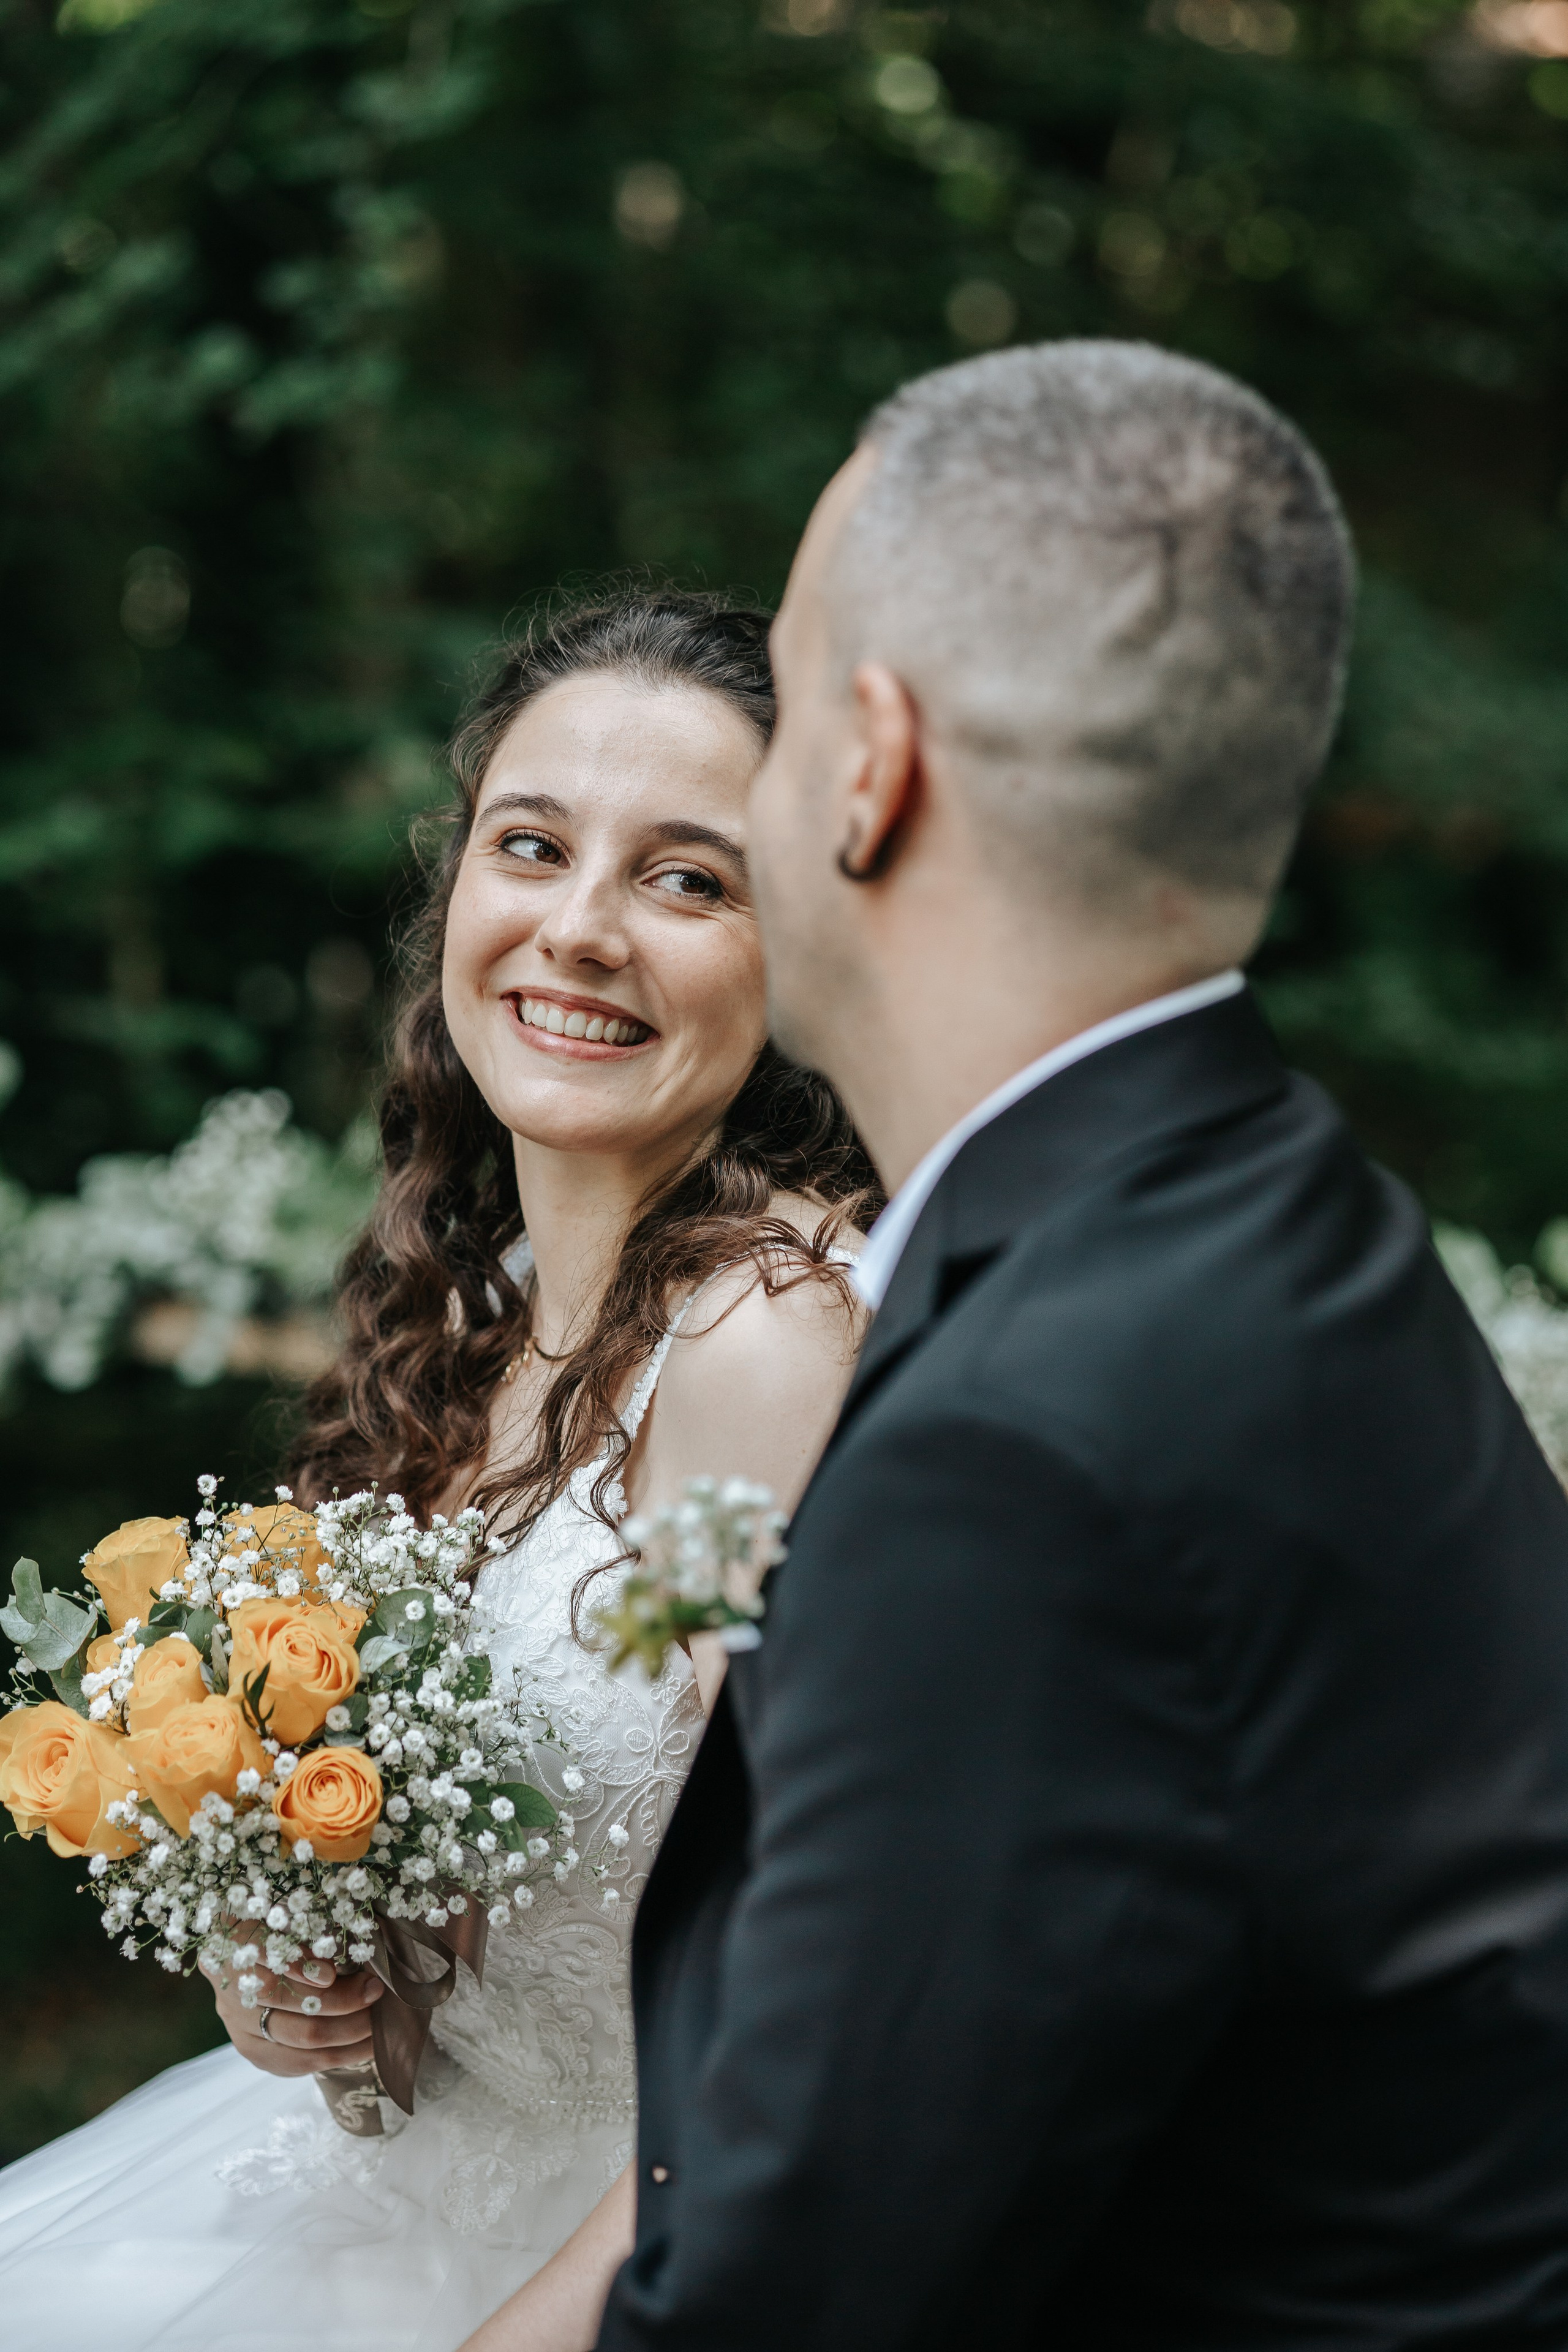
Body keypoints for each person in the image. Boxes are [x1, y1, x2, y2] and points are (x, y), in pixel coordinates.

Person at [593, 342, 1568, 2350]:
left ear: (870, 767)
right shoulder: (1281, 1204)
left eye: (778, 711)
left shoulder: (1021, 1449)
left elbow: (797, 2306)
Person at [0, 590, 871, 2352]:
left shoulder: (766, 1348)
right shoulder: (470, 1311)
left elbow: (839, 2006)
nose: (580, 929)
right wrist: (298, 1978)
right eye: (532, 847)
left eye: (688, 881)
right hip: (383, 2206)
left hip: (625, 2276)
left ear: (808, 956)